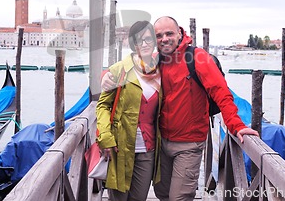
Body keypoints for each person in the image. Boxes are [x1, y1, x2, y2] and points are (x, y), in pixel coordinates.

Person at [152, 16, 259, 201]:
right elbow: (127, 77)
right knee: (162, 193)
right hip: (160, 142)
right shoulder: (155, 60)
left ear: (179, 33)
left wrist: (236, 125)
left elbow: (222, 93)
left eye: (169, 33)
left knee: (180, 197)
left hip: (189, 143)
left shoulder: (198, 57)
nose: (164, 39)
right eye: (159, 35)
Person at [96, 20, 162, 201]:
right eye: (139, 40)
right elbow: (103, 106)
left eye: (148, 39)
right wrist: (106, 138)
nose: (145, 44)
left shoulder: (161, 71)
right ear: (133, 43)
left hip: (148, 149)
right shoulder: (119, 70)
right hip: (120, 147)